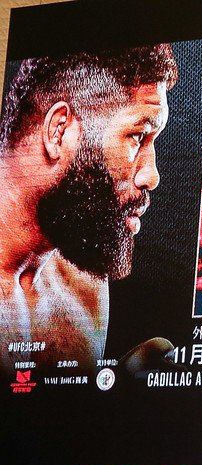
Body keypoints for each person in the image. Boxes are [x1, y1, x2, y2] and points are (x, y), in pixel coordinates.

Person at [0, 45, 177, 377]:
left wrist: (118, 392)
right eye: (137, 137)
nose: (151, 176)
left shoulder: (82, 281)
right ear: (59, 131)